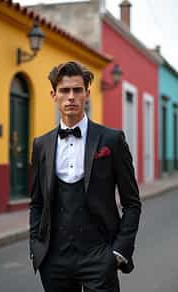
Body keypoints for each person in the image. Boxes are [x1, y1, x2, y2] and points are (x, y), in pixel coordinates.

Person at [29, 61, 141, 292]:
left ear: (87, 94)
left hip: (99, 256)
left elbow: (132, 203)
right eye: (64, 90)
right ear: (54, 95)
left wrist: (119, 251)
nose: (71, 97)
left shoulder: (111, 140)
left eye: (77, 90)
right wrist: (36, 246)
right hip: (54, 260)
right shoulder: (41, 145)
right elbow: (37, 202)